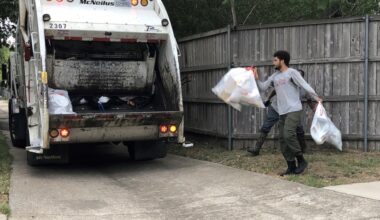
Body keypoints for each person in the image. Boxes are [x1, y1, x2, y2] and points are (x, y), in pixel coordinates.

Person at [252, 51, 321, 176]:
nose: (273, 62)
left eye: (275, 60)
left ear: (282, 60)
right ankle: (291, 166)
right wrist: (256, 78)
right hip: (282, 111)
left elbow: (305, 85)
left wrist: (316, 97)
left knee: (288, 134)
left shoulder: (292, 73)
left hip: (294, 109)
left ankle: (301, 160)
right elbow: (263, 87)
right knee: (283, 141)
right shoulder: (275, 76)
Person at [247, 69, 316, 156]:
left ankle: (303, 149)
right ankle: (256, 149)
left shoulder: (304, 88)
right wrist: (268, 99)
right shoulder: (285, 82)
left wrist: (314, 109)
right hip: (276, 108)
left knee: (299, 129)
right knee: (266, 127)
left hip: (291, 110)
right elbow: (275, 90)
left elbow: (309, 100)